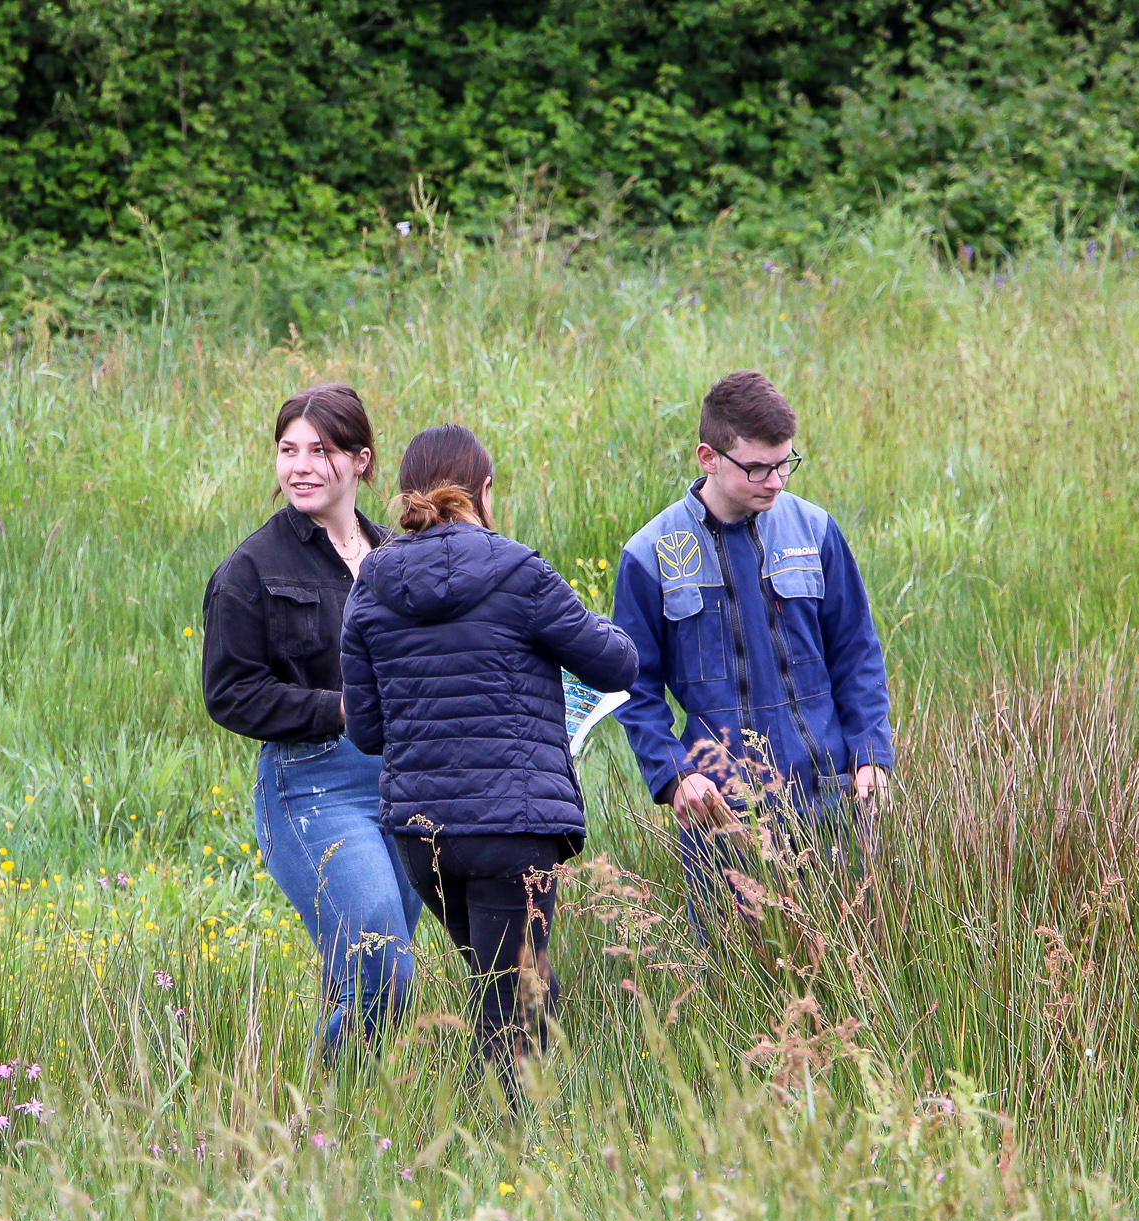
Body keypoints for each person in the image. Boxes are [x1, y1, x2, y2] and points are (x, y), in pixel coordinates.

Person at [342, 425, 637, 1085]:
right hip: (512, 829)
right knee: (512, 1015)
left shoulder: (371, 584)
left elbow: (366, 729)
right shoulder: (516, 571)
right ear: (481, 489)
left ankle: (524, 1136)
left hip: (423, 840)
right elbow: (617, 662)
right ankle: (502, 1158)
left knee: (516, 987)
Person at [610, 370, 894, 927]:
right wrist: (672, 775)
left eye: (785, 463)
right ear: (708, 457)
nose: (775, 481)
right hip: (722, 814)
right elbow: (633, 687)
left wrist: (871, 754)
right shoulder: (650, 556)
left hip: (832, 799)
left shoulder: (815, 531)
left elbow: (858, 653)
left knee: (846, 979)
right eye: (757, 467)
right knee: (734, 986)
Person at [202, 384, 423, 1060]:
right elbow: (230, 693)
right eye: (287, 450)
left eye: (319, 450)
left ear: (361, 460)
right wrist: (338, 707)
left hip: (405, 785)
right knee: (381, 961)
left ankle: (340, 1138)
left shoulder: (398, 556)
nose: (299, 465)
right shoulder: (251, 568)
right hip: (312, 786)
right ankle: (328, 1112)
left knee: (361, 971)